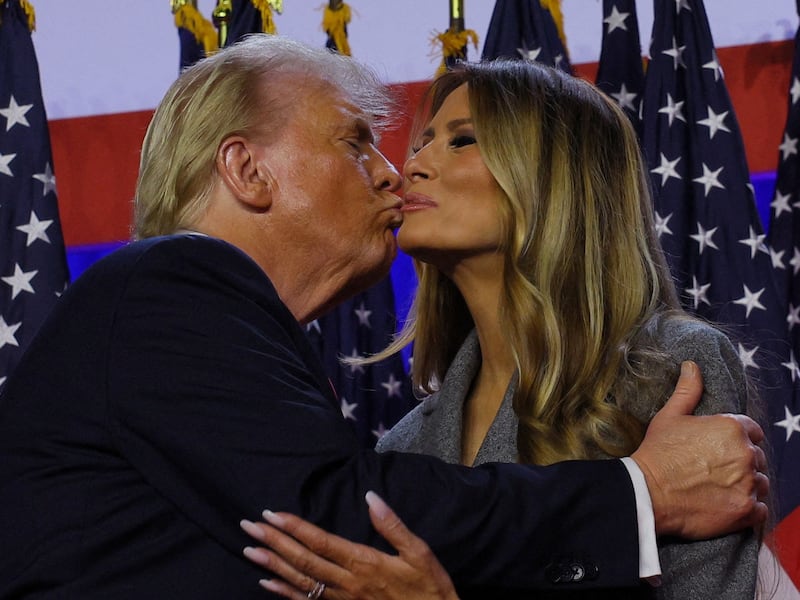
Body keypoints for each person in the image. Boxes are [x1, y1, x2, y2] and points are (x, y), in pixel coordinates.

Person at [0, 36, 767, 599]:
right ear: (247, 169)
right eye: (356, 141)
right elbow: (340, 513)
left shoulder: (670, 366)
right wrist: (641, 494)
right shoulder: (173, 286)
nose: (399, 171)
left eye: (457, 140)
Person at [239, 59, 769, 599]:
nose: (412, 166)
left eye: (461, 140)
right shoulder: (403, 448)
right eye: (422, 142)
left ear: (554, 176)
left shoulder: (669, 367)